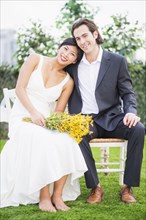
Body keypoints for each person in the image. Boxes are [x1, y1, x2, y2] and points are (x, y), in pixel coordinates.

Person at [0, 38, 88, 212]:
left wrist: (57, 124)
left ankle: (58, 195)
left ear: (74, 61)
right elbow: (19, 89)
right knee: (43, 139)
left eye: (72, 54)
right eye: (65, 49)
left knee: (67, 140)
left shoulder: (68, 81)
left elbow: (58, 112)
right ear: (58, 48)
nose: (66, 55)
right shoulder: (35, 59)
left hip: (45, 121)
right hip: (23, 116)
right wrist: (33, 113)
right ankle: (44, 196)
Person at [66, 18, 145, 204]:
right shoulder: (73, 64)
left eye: (85, 35)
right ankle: (95, 187)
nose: (82, 41)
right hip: (85, 121)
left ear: (95, 34)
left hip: (113, 117)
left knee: (138, 129)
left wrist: (130, 111)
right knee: (76, 134)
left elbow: (127, 92)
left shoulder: (117, 61)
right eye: (77, 38)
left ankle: (127, 187)